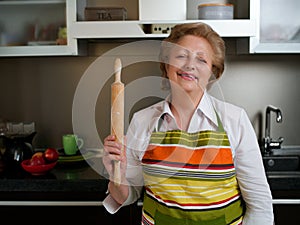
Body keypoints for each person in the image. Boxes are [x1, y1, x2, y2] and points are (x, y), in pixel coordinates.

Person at [102, 22, 274, 225]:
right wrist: (117, 176)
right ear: (167, 65)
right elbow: (126, 196)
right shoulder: (143, 121)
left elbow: (260, 204)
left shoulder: (234, 120)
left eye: (201, 59)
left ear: (212, 71)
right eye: (181, 56)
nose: (190, 65)